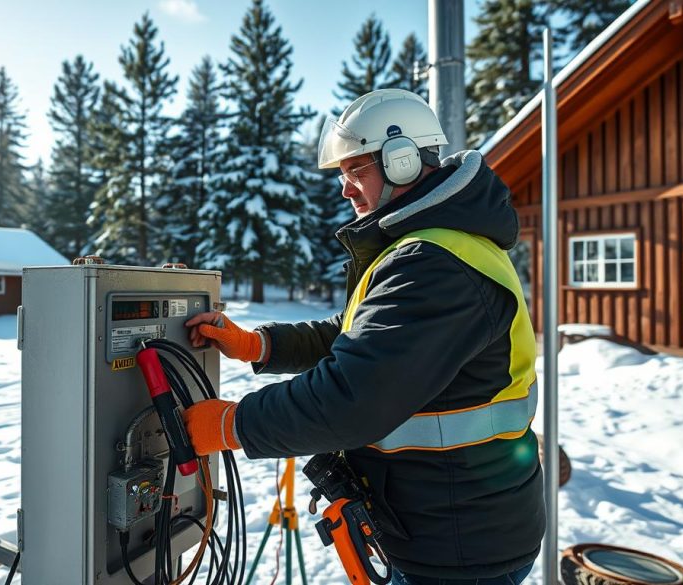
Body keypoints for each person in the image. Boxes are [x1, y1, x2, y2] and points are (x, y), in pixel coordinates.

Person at [182, 89, 544, 585]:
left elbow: (352, 399)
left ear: (402, 161)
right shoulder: (431, 246)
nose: (346, 190)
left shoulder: (434, 263)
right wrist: (261, 345)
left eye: (355, 172)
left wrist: (231, 425)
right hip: (450, 525)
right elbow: (360, 335)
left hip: (458, 549)